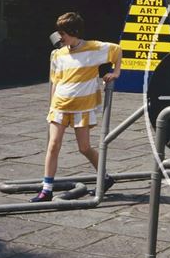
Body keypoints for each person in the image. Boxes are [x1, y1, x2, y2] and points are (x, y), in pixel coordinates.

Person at [30, 12, 122, 202]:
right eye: (59, 33)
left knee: (84, 147)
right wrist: (51, 106)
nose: (60, 37)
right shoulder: (57, 54)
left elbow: (117, 50)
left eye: (63, 33)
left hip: (82, 107)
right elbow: (55, 81)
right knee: (53, 145)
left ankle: (104, 177)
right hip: (60, 106)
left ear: (74, 32)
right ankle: (46, 189)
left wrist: (116, 72)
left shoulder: (93, 48)